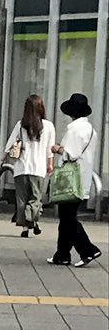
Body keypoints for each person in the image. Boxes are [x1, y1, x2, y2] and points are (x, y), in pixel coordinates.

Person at [50, 93, 101, 269]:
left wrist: (57, 148)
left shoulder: (74, 129)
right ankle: (62, 254)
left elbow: (70, 153)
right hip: (83, 177)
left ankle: (88, 250)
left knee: (68, 217)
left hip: (70, 180)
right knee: (67, 217)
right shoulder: (91, 130)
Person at [2, 95, 55, 238]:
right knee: (36, 199)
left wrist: (3, 158)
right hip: (38, 168)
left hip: (21, 167)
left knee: (22, 199)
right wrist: (50, 164)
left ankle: (26, 227)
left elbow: (10, 144)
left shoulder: (20, 125)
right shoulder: (48, 126)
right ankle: (31, 220)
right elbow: (50, 149)